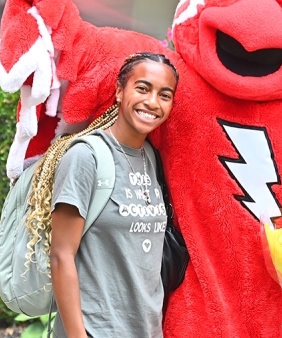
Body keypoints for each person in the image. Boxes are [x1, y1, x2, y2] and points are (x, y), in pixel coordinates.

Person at [23, 52, 179, 338]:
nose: (152, 102)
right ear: (120, 91)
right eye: (142, 88)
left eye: (164, 95)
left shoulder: (151, 157)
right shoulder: (86, 157)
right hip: (96, 330)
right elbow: (61, 255)